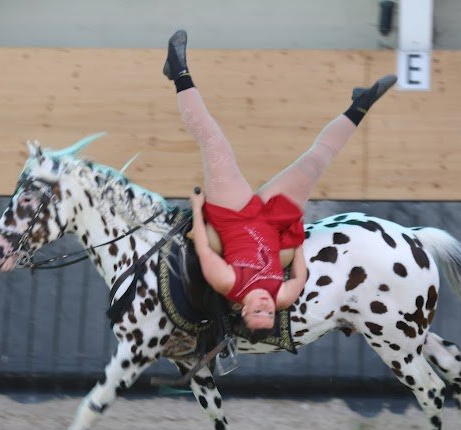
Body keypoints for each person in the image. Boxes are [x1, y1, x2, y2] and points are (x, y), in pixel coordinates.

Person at [164, 29, 396, 334]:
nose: (265, 304)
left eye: (258, 310)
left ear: (244, 309)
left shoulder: (227, 283)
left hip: (233, 217)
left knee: (214, 143)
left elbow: (205, 250)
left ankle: (178, 71)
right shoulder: (283, 296)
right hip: (274, 225)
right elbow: (298, 278)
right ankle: (359, 105)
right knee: (315, 163)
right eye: (270, 312)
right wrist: (293, 238)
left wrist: (197, 207)